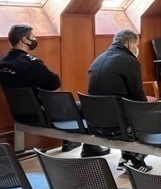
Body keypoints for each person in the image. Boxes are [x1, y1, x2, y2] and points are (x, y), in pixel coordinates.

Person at [0, 24, 109, 157]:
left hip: (20, 112)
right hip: (42, 113)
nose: (35, 39)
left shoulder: (3, 62)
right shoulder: (31, 63)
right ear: (24, 40)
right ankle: (90, 146)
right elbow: (54, 82)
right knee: (88, 107)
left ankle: (71, 140)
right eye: (33, 36)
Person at [88, 29, 151, 171]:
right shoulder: (130, 61)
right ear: (130, 44)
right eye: (136, 45)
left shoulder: (98, 59)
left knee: (125, 112)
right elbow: (138, 98)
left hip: (95, 122)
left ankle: (126, 158)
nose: (137, 48)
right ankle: (136, 159)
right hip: (118, 125)